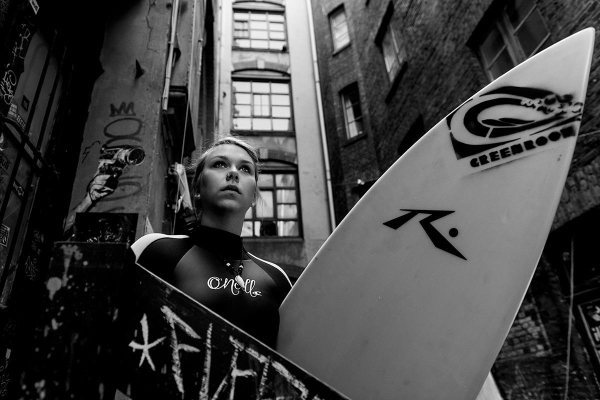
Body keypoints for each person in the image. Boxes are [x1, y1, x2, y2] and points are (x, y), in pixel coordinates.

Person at [131, 135, 292, 348]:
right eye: (220, 164)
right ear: (197, 188)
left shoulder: (277, 280)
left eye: (245, 169)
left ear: (253, 196)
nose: (233, 172)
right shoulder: (154, 251)